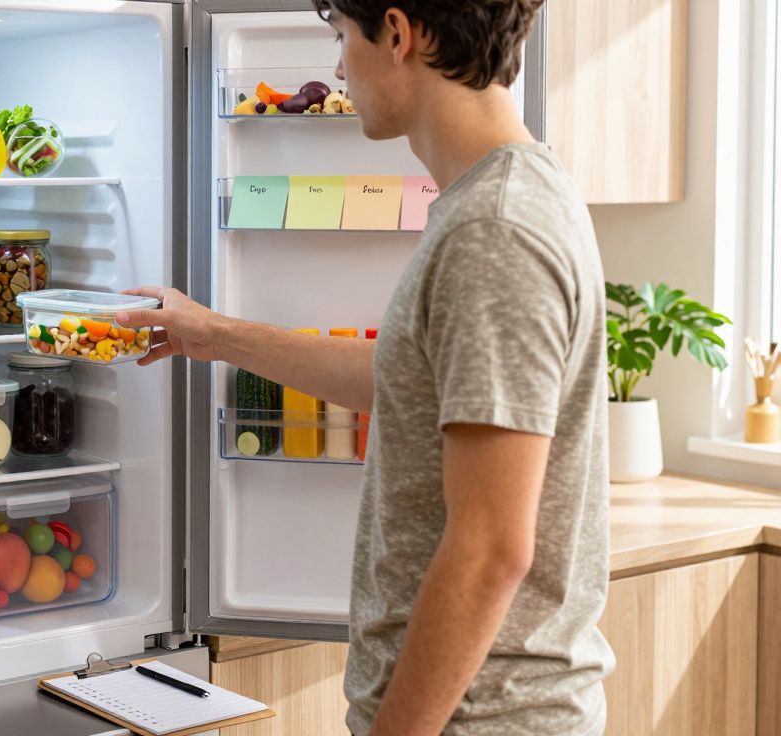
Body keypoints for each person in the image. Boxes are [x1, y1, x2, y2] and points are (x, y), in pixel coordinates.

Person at [116, 1, 613, 734]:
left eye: (342, 37)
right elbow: (410, 379)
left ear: (399, 34)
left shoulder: (494, 231)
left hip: (480, 717)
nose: (339, 67)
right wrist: (213, 334)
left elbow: (489, 551)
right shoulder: (498, 199)